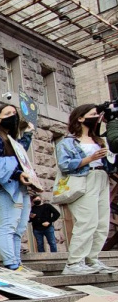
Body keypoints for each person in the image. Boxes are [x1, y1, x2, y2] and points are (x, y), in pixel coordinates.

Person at [56, 104, 117, 275]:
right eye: (92, 114)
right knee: (87, 221)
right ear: (80, 118)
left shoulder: (99, 140)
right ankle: (74, 263)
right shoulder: (68, 142)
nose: (96, 117)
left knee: (102, 223)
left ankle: (92, 259)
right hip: (84, 179)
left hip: (102, 178)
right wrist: (89, 158)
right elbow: (64, 164)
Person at [0, 104, 34, 270]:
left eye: (14, 113)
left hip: (20, 189)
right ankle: (11, 263)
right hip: (6, 190)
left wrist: (29, 133)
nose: (13, 116)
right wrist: (17, 174)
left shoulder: (12, 141)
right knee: (8, 226)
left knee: (18, 228)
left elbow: (21, 154)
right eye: (8, 113)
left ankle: (17, 263)